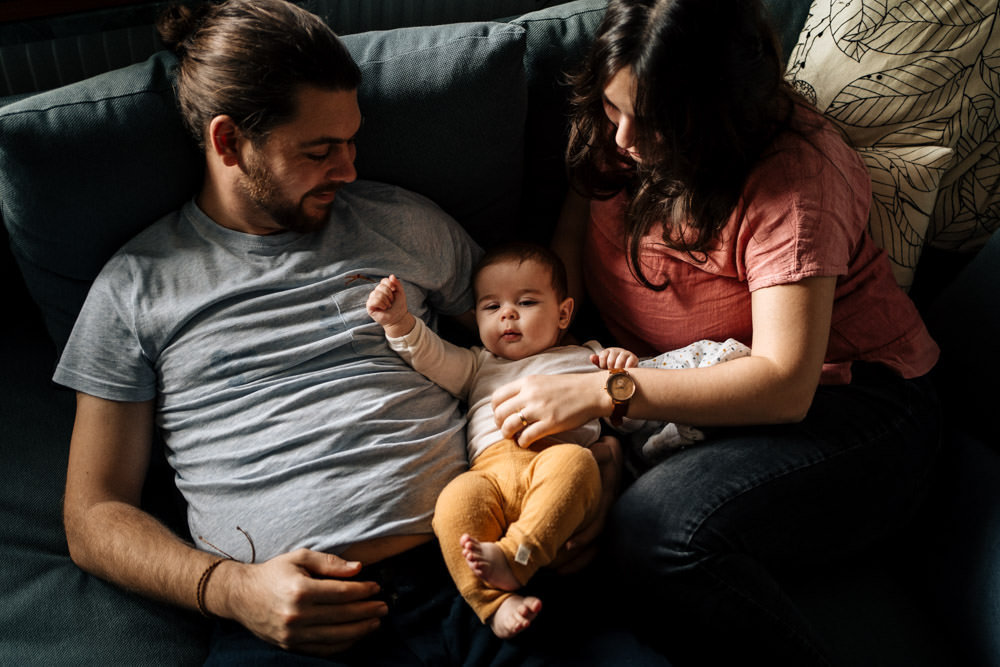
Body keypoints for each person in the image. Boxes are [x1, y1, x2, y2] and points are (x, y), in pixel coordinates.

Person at [52, 1, 670, 665]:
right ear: (228, 142)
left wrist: (597, 466)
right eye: (319, 151)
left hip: (479, 570)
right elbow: (92, 515)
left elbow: (530, 340)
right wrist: (229, 589)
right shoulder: (134, 287)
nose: (348, 171)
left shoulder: (403, 222)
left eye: (352, 141)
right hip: (296, 618)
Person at [488, 0, 943, 665]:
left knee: (655, 532)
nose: (623, 142)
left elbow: (783, 383)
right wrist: (595, 441)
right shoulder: (617, 134)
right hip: (685, 395)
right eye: (615, 111)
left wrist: (605, 394)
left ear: (719, 116)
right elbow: (567, 272)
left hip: (852, 402)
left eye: (653, 124)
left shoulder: (795, 177)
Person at [367, 242, 750, 640]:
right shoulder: (477, 365)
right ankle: (494, 604)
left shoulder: (588, 359)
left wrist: (622, 367)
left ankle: (518, 554)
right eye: (491, 307)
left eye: (526, 302)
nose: (508, 314)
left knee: (575, 464)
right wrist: (399, 323)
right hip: (489, 476)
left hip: (556, 468)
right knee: (452, 501)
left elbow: (630, 417)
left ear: (564, 313)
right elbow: (430, 354)